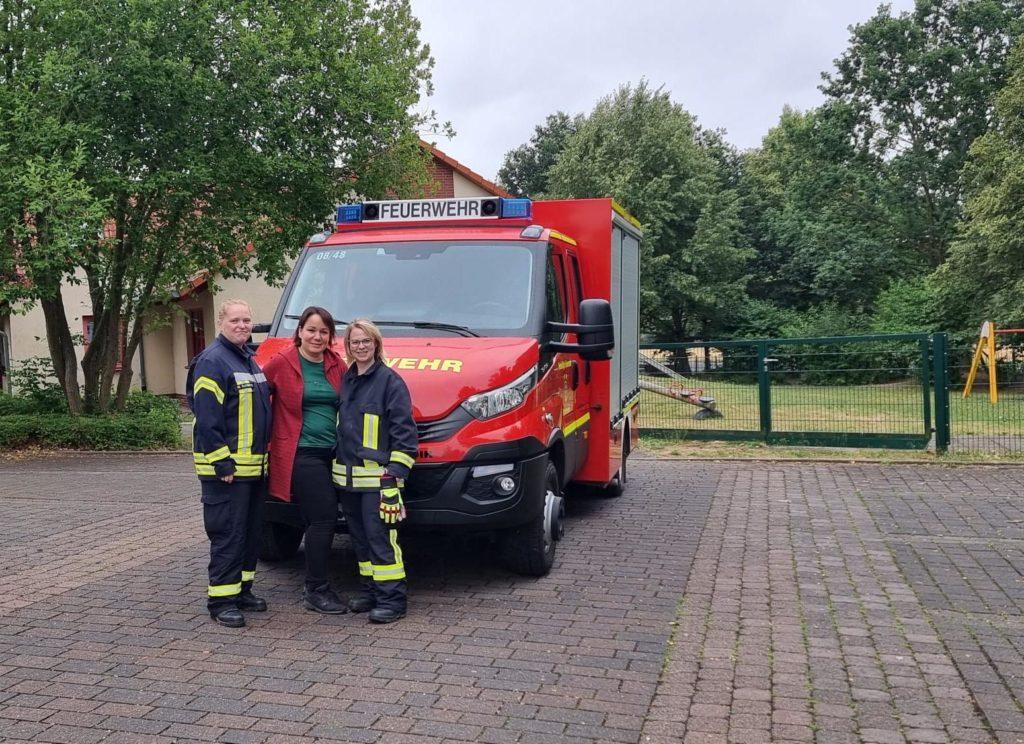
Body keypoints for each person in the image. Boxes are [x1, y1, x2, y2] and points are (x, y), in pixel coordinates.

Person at [187, 299, 272, 628]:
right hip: (227, 472)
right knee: (228, 534)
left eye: (247, 320)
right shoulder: (213, 361)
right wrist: (222, 464)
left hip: (251, 470)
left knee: (250, 534)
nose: (242, 325)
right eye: (235, 320)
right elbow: (207, 418)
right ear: (221, 322)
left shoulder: (248, 358)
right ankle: (221, 601)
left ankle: (241, 590)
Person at [263, 306, 348, 614]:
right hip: (301, 453)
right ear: (299, 332)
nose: (317, 336)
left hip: (334, 454)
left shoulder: (336, 364)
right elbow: (254, 396)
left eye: (323, 331)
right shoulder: (282, 363)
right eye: (311, 330)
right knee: (323, 518)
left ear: (330, 337)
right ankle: (316, 589)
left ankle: (319, 584)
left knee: (320, 518)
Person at [332, 319, 417, 623]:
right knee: (361, 540)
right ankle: (371, 591)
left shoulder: (390, 381)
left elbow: (405, 434)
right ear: (348, 347)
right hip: (348, 481)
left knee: (381, 540)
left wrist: (394, 475)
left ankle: (393, 600)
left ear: (376, 344)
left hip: (380, 481)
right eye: (355, 342)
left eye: (366, 341)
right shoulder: (347, 380)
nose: (361, 346)